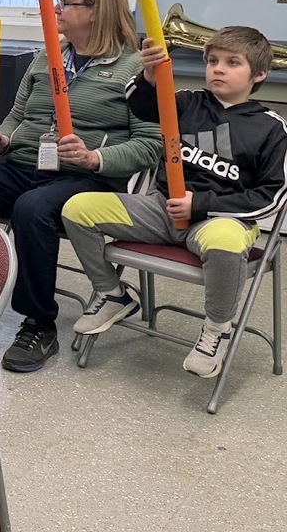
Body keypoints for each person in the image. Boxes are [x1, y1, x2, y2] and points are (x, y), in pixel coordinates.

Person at [0, 0, 163, 371]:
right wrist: (1, 139)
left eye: (66, 2)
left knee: (33, 209)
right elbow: (18, 115)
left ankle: (38, 323)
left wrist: (95, 158)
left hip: (87, 177)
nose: (57, 8)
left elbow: (151, 144)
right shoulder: (45, 55)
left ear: (95, 10)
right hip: (24, 162)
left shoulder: (135, 68)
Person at [62, 26, 287, 378]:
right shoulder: (188, 101)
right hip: (160, 209)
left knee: (227, 241)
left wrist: (200, 204)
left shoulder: (271, 128)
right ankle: (113, 293)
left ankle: (216, 329)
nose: (218, 69)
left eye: (232, 62)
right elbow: (141, 104)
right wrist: (150, 74)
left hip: (218, 220)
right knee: (77, 208)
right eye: (213, 61)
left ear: (259, 74)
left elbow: (269, 198)